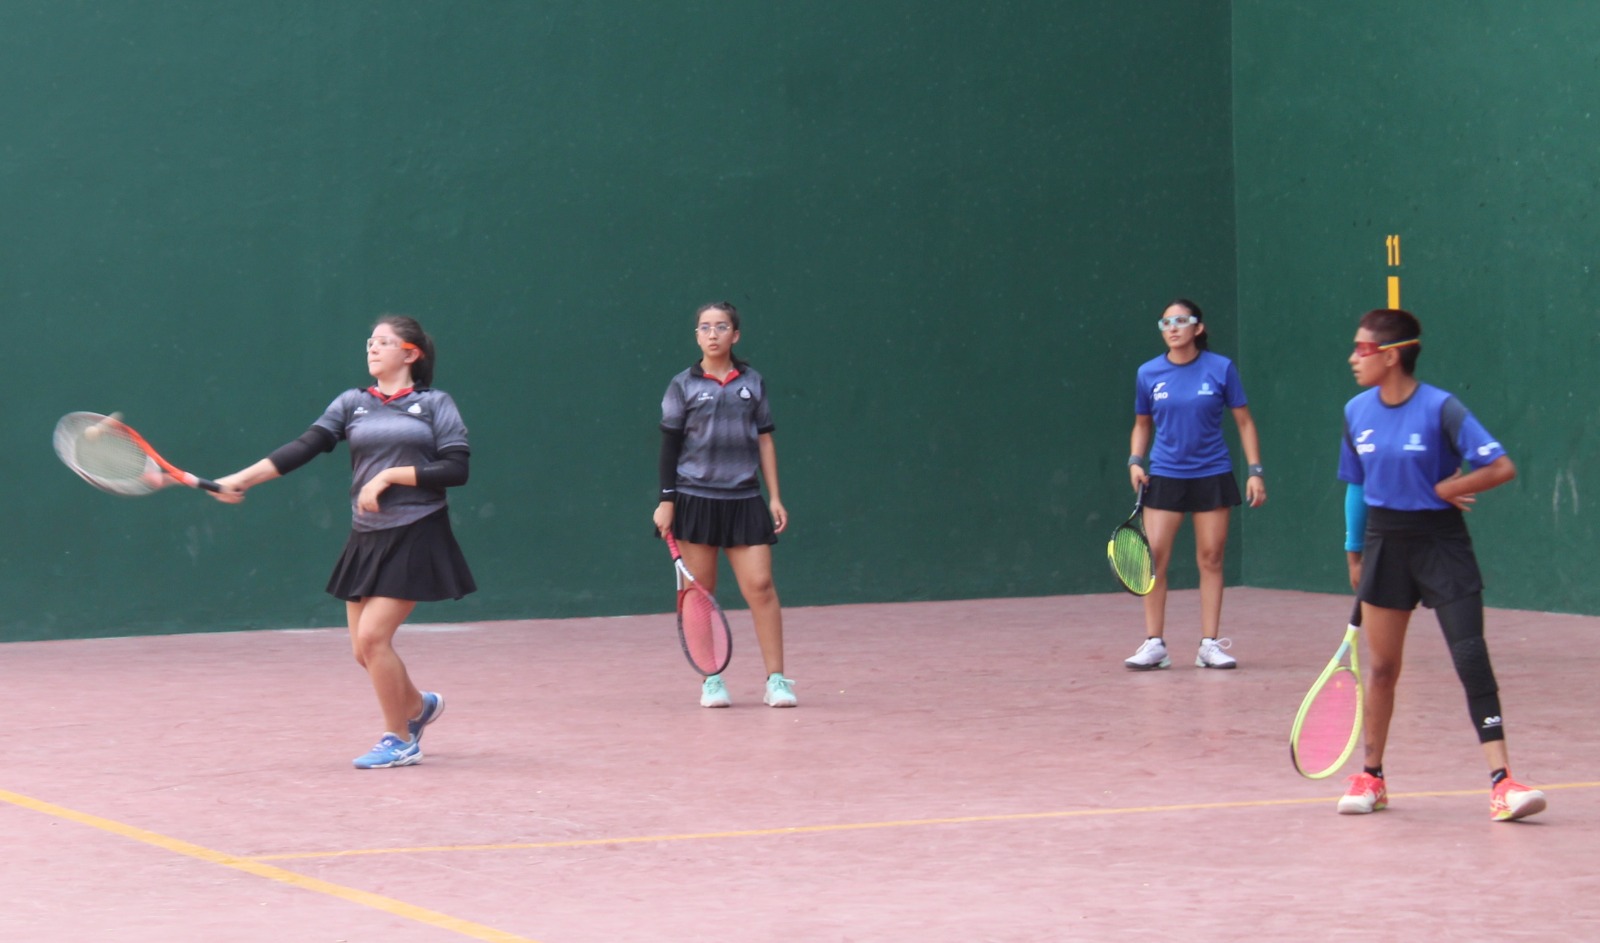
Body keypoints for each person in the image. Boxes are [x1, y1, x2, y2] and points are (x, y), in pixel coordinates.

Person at [211, 314, 474, 769]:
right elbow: (304, 446)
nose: (372, 347)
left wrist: (389, 476)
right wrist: (242, 479)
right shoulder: (353, 403)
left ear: (411, 353)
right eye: (370, 341)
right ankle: (418, 706)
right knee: (362, 651)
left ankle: (399, 739)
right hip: (366, 535)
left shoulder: (435, 404)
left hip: (418, 528)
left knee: (373, 638)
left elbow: (456, 468)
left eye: (384, 342)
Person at [1335, 308, 1545, 820]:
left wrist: (1454, 486)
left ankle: (1503, 784)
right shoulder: (1355, 411)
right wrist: (1354, 553)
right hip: (1385, 544)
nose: (1353, 358)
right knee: (1381, 668)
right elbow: (1356, 486)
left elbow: (1500, 466)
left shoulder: (1441, 408)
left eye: (1362, 349)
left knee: (1470, 656)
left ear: (1391, 356)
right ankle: (1372, 777)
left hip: (1441, 543)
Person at [653, 302, 794, 708]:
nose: (712, 333)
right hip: (694, 499)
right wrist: (666, 501)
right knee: (700, 593)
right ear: (696, 336)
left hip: (744, 499)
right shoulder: (682, 385)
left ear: (736, 335)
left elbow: (764, 439)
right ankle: (711, 680)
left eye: (721, 326)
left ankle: (777, 680)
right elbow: (669, 446)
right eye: (704, 327)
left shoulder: (753, 382)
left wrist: (775, 496)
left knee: (761, 586)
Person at [1124, 299, 1265, 670]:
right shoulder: (1148, 373)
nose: (1172, 328)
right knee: (1155, 558)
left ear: (1198, 328)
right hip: (1165, 474)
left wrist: (1255, 470)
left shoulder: (1221, 369)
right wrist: (1135, 461)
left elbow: (1245, 422)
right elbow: (1142, 424)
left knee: (1211, 558)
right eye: (1165, 322)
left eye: (1181, 321)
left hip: (1212, 474)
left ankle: (1209, 645)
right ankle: (1155, 644)